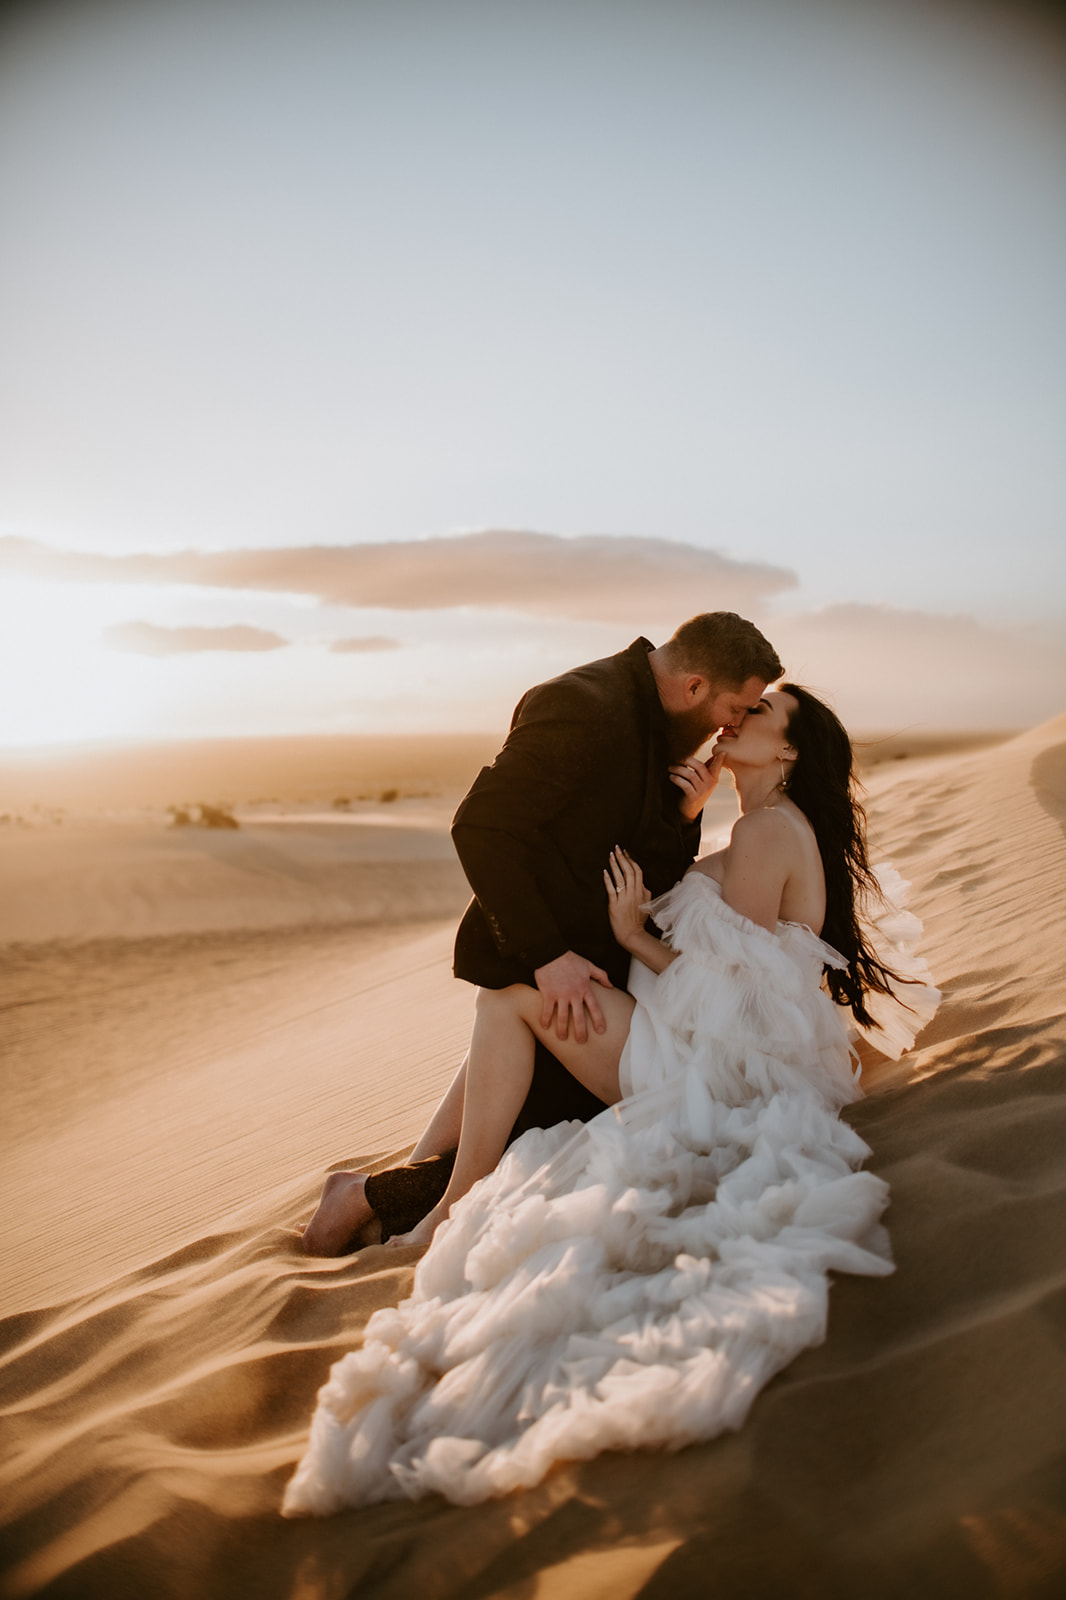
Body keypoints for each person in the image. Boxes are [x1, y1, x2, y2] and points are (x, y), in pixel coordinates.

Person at [283, 686, 938, 1514]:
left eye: (760, 717)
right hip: (710, 1051)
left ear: (789, 755)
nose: (735, 721)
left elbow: (729, 986)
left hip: (701, 1061)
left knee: (510, 996)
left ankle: (448, 1199)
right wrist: (685, 818)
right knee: (526, 998)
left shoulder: (771, 831)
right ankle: (413, 1180)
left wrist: (629, 938)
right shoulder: (760, 828)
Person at [300, 612, 782, 1254]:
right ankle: (368, 1201)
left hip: (598, 970)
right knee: (544, 1142)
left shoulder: (664, 729)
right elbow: (481, 826)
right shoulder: (583, 704)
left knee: (546, 1137)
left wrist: (683, 817)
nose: (733, 724)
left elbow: (637, 873)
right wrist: (548, 957)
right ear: (694, 686)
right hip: (541, 963)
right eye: (734, 706)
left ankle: (372, 1201)